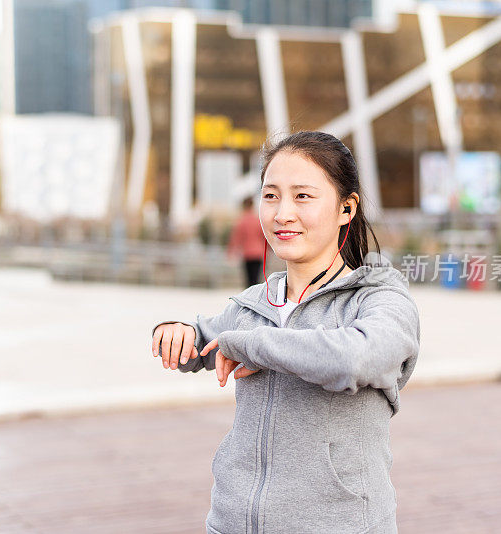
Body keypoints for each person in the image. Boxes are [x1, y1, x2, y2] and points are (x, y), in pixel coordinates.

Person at [150, 131, 420, 534]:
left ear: (347, 209)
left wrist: (251, 345)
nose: (282, 213)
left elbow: (354, 359)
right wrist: (174, 330)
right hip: (232, 523)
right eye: (271, 195)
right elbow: (201, 340)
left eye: (303, 196)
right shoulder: (255, 302)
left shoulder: (380, 299)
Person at [227, 196, 267, 287]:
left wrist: (230, 252)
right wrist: (269, 249)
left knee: (248, 280)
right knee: (257, 279)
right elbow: (264, 236)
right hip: (259, 253)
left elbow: (236, 238)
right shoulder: (258, 220)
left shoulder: (241, 221)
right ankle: (256, 297)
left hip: (247, 254)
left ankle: (249, 298)